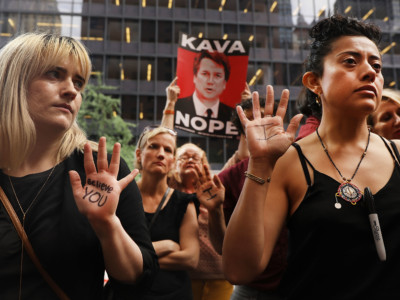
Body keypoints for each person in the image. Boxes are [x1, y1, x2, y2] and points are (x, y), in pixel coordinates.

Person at [223, 14, 400, 299]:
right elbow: (240, 271)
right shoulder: (290, 163)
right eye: (350, 61)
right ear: (314, 82)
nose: (370, 72)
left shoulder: (398, 153)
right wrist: (260, 164)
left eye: (376, 65)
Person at [0, 32, 158, 299]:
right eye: (53, 74)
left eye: (78, 81)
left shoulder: (101, 171)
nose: (71, 90)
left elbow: (138, 276)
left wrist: (107, 224)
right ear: (13, 80)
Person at [218, 97, 288, 300]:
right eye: (251, 120)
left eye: (268, 117)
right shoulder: (228, 178)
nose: (261, 124)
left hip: (299, 283)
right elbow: (222, 246)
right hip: (250, 288)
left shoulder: (303, 164)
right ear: (242, 130)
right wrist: (214, 211)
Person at [135, 125, 200, 299]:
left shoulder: (184, 203)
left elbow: (190, 259)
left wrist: (134, 261)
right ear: (139, 155)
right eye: (153, 146)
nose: (161, 154)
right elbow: (110, 253)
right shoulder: (121, 198)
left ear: (173, 160)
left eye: (168, 150)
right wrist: (166, 246)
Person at [171, 143, 234, 300]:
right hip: (181, 276)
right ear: (173, 164)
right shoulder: (167, 189)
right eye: (184, 157)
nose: (190, 160)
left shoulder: (214, 188)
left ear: (204, 164)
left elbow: (240, 156)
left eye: (195, 158)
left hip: (219, 276)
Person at [175, 50, 233, 121]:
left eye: (217, 75)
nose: (210, 81)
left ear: (224, 83)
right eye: (205, 74)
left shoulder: (233, 115)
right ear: (195, 77)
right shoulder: (176, 106)